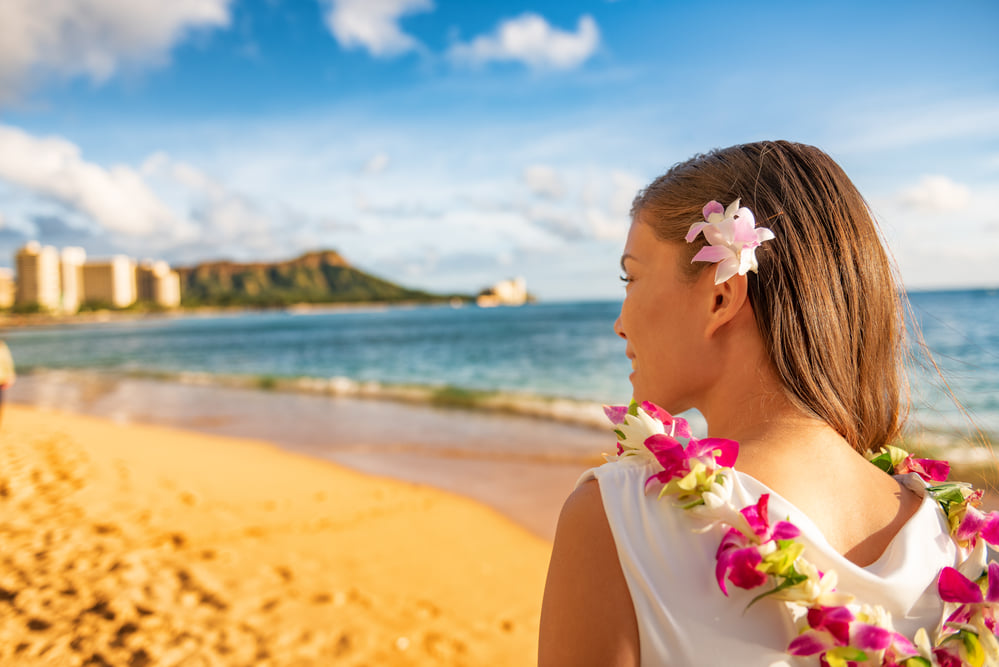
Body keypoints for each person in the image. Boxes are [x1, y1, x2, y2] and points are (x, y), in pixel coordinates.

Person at [539, 141, 991, 666]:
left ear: (720, 297)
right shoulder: (963, 550)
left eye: (631, 278)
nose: (620, 322)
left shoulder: (619, 520)